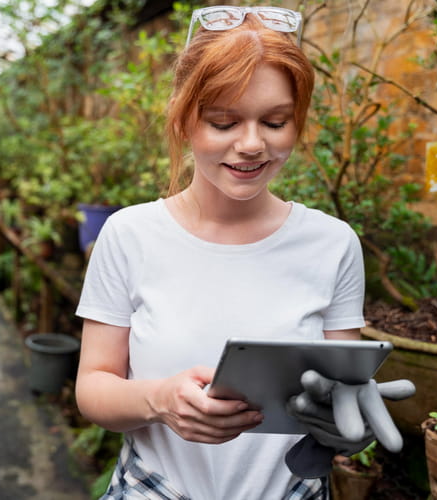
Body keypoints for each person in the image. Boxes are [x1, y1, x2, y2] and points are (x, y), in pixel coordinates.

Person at [75, 6, 414, 500]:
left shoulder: (332, 243)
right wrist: (159, 399)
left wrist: (345, 425)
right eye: (224, 121)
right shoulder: (130, 235)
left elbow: (340, 389)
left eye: (275, 121)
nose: (252, 144)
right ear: (184, 118)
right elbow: (93, 387)